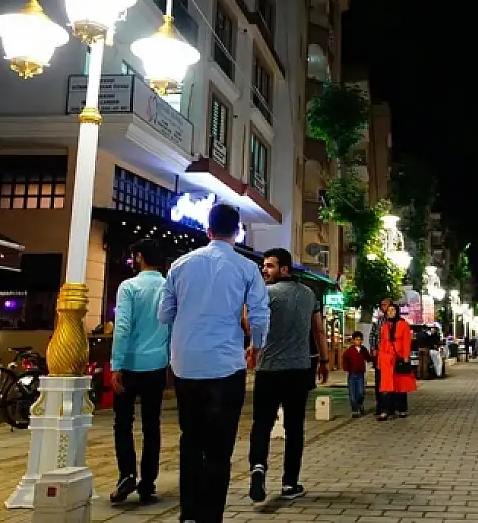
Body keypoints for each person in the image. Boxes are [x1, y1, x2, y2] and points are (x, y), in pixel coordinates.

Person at [158, 204, 270, 523]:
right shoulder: (247, 268)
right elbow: (260, 314)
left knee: (190, 438)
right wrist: (256, 346)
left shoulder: (180, 265)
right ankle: (212, 516)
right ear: (237, 232)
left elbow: (163, 314)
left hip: (186, 364)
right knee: (220, 445)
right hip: (226, 365)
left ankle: (189, 514)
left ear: (207, 231)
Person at [248, 248, 329, 502]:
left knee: (262, 423)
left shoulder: (265, 294)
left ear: (284, 269)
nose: (264, 270)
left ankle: (258, 467)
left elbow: (250, 323)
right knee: (295, 427)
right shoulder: (309, 294)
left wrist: (253, 346)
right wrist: (324, 360)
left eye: (269, 266)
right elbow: (319, 330)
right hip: (299, 370)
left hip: (269, 370)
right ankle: (289, 483)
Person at [109, 238, 170, 505]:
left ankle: (126, 475)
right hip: (157, 365)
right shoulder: (170, 286)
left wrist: (116, 365)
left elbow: (122, 327)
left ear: (141, 257)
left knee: (123, 423)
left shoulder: (129, 287)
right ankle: (148, 484)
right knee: (151, 425)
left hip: (130, 365)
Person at [376, 300, 416, 420]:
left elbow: (406, 342)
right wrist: (379, 360)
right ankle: (385, 411)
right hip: (386, 359)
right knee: (386, 386)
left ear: (397, 311)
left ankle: (402, 409)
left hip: (399, 358)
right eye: (389, 310)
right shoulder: (384, 326)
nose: (391, 312)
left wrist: (405, 356)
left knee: (400, 385)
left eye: (393, 310)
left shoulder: (403, 324)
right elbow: (382, 343)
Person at [369, 298, 393, 416]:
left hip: (391, 357)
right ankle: (380, 406)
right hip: (380, 356)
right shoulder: (379, 321)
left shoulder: (395, 322)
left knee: (389, 382)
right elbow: (372, 335)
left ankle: (389, 407)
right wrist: (373, 348)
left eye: (385, 305)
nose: (382, 306)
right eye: (382, 304)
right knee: (379, 382)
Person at [342, 331, 372, 417]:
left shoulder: (363, 350)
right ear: (353, 340)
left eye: (360, 340)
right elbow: (345, 360)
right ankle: (354, 409)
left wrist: (374, 358)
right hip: (352, 374)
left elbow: (368, 358)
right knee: (352, 393)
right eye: (356, 340)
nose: (358, 341)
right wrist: (347, 368)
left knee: (361, 392)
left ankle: (360, 404)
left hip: (360, 375)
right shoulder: (349, 351)